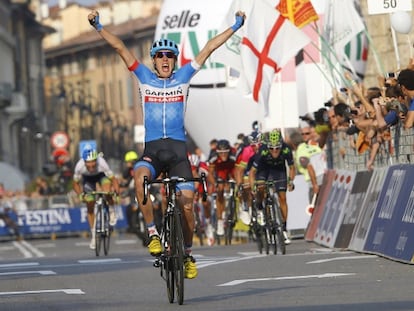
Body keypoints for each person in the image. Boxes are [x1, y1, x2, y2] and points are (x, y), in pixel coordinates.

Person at [87, 9, 246, 279]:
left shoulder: (184, 76)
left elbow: (208, 48)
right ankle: (152, 233)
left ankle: (187, 251)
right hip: (152, 152)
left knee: (187, 205)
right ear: (154, 60)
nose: (164, 60)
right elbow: (120, 47)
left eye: (169, 56)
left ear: (174, 60)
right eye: (160, 56)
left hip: (178, 153)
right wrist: (98, 26)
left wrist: (236, 26)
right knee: (140, 178)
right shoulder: (143, 78)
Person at [248, 129, 295, 244]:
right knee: (261, 188)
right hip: (264, 170)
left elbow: (292, 168)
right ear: (267, 146)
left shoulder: (286, 149)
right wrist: (253, 186)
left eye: (277, 148)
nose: (274, 151)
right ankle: (260, 208)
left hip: (279, 170)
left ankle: (283, 228)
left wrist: (290, 181)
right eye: (271, 149)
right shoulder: (263, 151)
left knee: (282, 197)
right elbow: (252, 172)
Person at [73, 147, 120, 250]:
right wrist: (80, 194)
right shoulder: (79, 166)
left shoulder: (102, 163)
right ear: (84, 162)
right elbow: (75, 184)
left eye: (93, 163)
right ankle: (94, 235)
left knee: (107, 190)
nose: (91, 166)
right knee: (89, 202)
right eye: (88, 163)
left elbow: (113, 179)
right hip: (88, 180)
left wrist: (116, 191)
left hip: (101, 176)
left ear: (96, 160)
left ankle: (111, 211)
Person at [207, 139, 237, 237]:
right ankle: (220, 221)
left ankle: (237, 207)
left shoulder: (233, 155)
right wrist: (214, 183)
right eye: (221, 153)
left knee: (237, 186)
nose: (223, 155)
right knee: (220, 189)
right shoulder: (213, 157)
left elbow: (238, 169)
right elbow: (210, 173)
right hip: (219, 172)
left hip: (230, 169)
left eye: (225, 152)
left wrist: (237, 181)